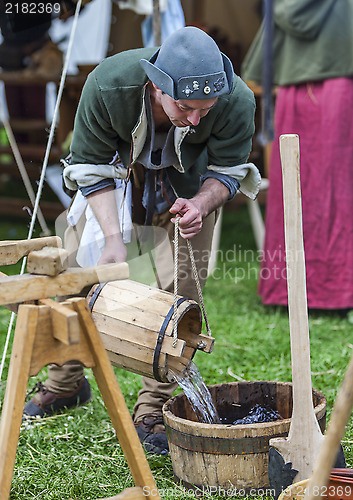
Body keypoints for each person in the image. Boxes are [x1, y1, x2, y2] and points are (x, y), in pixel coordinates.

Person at [24, 26, 261, 455]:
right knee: (77, 269)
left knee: (181, 291)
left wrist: (201, 204)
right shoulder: (109, 84)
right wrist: (113, 239)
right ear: (156, 84)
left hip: (190, 191)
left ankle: (153, 406)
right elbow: (90, 163)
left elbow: (229, 171)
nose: (194, 119)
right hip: (116, 181)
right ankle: (65, 383)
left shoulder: (236, 99)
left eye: (204, 112)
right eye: (185, 108)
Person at [242, 0, 353, 310]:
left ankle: (288, 291)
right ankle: (339, 290)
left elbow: (287, 11)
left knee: (295, 187)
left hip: (295, 89)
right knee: (336, 188)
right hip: (341, 84)